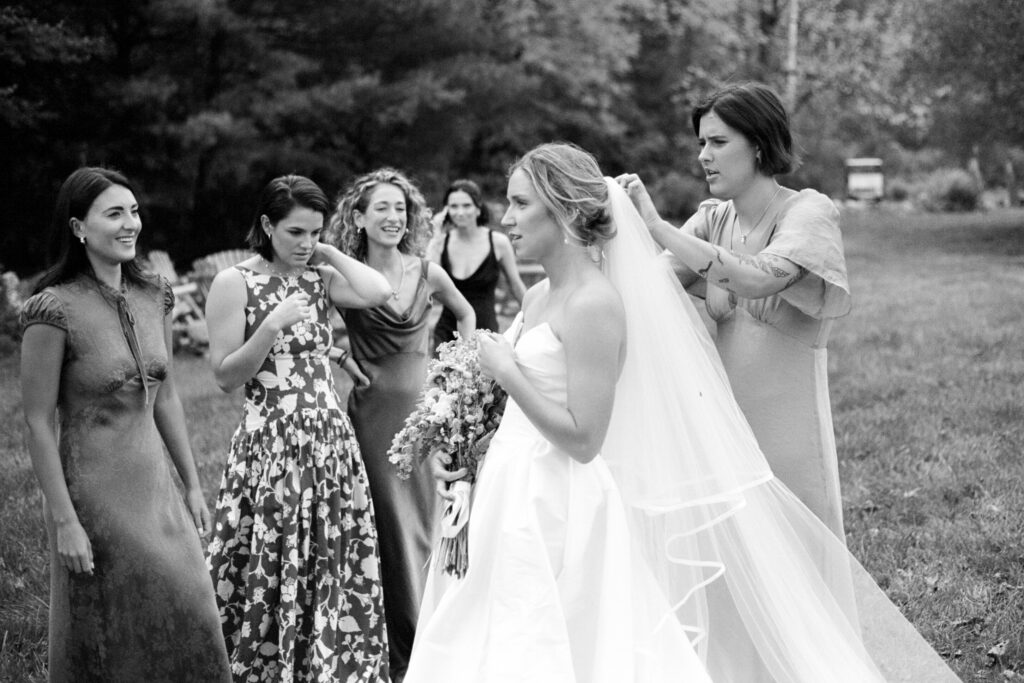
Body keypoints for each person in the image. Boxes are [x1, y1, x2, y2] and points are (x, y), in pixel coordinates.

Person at [407, 143, 959, 682]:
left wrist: (506, 373)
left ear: (567, 210)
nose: (506, 218)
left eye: (521, 203)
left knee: (546, 636)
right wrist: (471, 441)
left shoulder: (594, 304)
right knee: (487, 629)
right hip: (509, 484)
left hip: (557, 502)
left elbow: (583, 439)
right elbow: (523, 409)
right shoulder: (535, 298)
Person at [19, 167, 232, 681]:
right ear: (78, 228)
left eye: (133, 211)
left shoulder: (154, 293)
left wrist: (194, 486)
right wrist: (66, 520)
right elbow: (36, 422)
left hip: (156, 486)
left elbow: (168, 398)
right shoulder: (53, 310)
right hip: (93, 492)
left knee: (194, 606)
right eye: (114, 213)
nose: (130, 223)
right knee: (116, 627)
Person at [618, 82, 852, 539]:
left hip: (789, 427)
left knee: (796, 549)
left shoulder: (808, 212)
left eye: (719, 142)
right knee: (738, 553)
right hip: (726, 425)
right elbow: (649, 285)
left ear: (760, 146)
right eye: (702, 142)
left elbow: (758, 277)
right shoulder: (711, 220)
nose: (704, 155)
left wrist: (656, 226)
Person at [204, 175, 392, 681]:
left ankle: (325, 663)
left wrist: (327, 249)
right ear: (266, 226)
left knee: (327, 554)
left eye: (315, 231)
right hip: (270, 439)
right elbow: (224, 376)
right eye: (295, 233)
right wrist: (269, 326)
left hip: (329, 440)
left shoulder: (317, 276)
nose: (305, 244)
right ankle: (266, 663)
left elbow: (381, 290)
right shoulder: (233, 283)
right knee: (272, 554)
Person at [327, 168, 475, 681]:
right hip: (373, 417)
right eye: (382, 208)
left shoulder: (426, 270)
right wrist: (345, 365)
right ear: (360, 218)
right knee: (390, 529)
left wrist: (458, 371)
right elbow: (308, 330)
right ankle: (401, 653)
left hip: (428, 413)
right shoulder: (343, 279)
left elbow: (466, 312)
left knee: (432, 522)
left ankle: (441, 636)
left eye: (400, 208)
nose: (394, 217)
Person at [430, 179, 526, 349]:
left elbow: (516, 286)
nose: (460, 212)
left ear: (478, 208)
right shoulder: (441, 243)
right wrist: (436, 236)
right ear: (446, 211)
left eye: (466, 205)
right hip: (447, 336)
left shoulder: (498, 242)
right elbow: (426, 283)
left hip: (486, 334)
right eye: (453, 206)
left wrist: (534, 319)